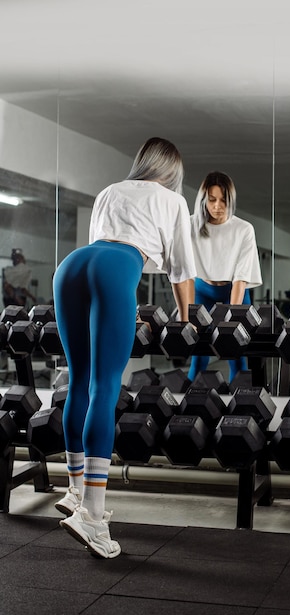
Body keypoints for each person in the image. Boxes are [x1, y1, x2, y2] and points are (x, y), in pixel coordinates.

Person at [53, 137, 196, 558]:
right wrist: (187, 320)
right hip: (115, 271)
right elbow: (181, 271)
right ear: (173, 172)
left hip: (73, 266)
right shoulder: (171, 200)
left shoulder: (109, 191)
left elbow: (104, 244)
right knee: (104, 387)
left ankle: (75, 491)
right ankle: (94, 519)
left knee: (78, 381)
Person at [188, 171, 262, 383]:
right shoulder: (190, 225)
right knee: (199, 355)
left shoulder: (244, 229)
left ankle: (240, 408)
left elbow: (241, 276)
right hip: (202, 290)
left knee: (235, 351)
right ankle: (189, 404)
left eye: (223, 200)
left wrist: (232, 317)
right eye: (212, 200)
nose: (218, 206)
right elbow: (181, 269)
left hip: (234, 290)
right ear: (204, 199)